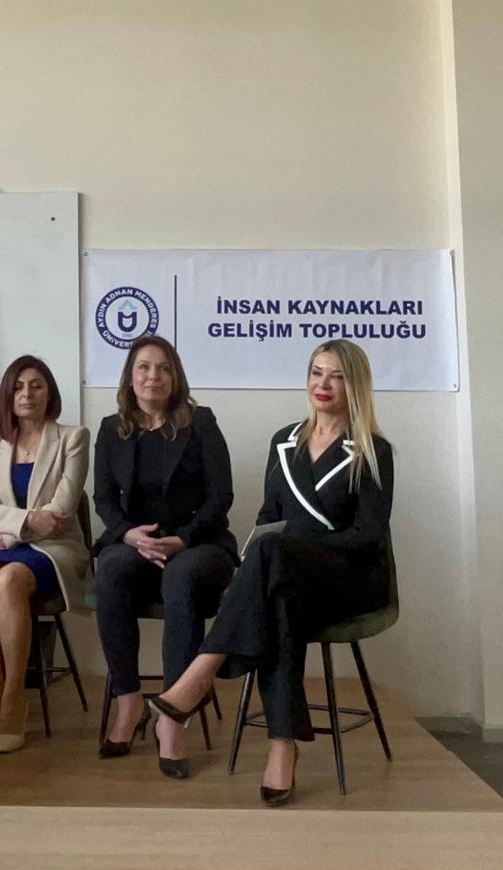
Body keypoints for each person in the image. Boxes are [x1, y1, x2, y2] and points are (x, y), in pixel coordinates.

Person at [152, 339, 394, 806]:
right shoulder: (284, 441)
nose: (323, 384)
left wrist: (294, 549)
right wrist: (266, 560)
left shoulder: (372, 450)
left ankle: (201, 671)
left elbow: (368, 535)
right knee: (279, 594)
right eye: (317, 372)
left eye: (337, 376)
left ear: (355, 385)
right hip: (288, 578)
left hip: (348, 578)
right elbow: (269, 516)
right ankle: (283, 748)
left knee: (274, 555)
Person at [92, 336, 237, 779]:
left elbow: (221, 495)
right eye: (144, 367)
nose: (153, 376)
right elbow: (103, 499)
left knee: (181, 577)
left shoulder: (201, 422)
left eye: (163, 368)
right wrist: (128, 534)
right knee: (110, 570)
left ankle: (173, 715)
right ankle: (129, 700)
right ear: (130, 377)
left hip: (198, 543)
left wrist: (183, 539)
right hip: (136, 544)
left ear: (175, 378)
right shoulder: (112, 429)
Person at [0, 355, 89, 753]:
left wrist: (7, 537)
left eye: (36, 385)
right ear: (8, 395)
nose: (27, 394)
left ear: (49, 392)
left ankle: (15, 697)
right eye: (18, 387)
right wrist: (21, 526)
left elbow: (60, 510)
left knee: (9, 579)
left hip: (55, 549)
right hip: (6, 543)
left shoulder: (73, 438)